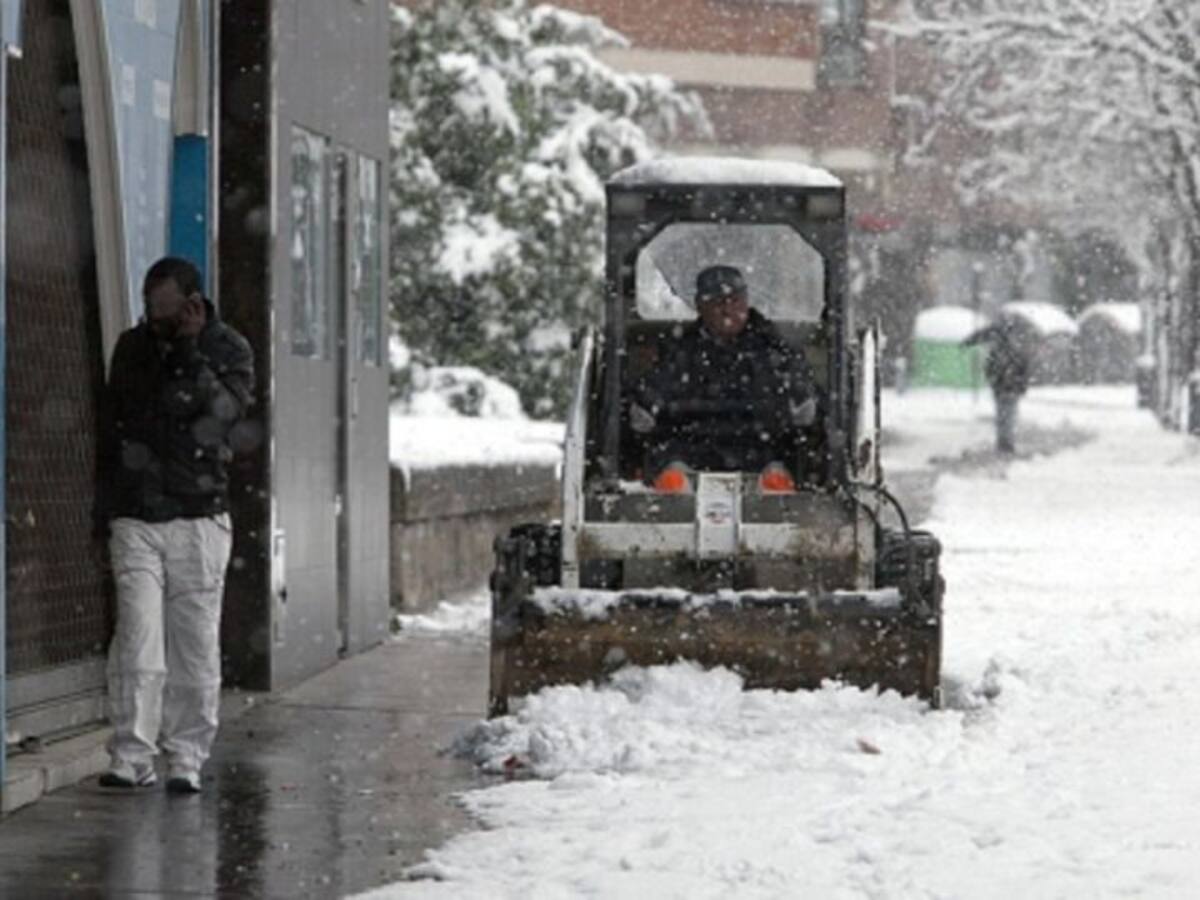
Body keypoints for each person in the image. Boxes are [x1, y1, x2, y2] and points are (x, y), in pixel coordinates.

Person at [95, 256, 254, 794]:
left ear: (192, 305)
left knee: (194, 643)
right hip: (137, 513)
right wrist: (106, 510)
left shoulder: (228, 349)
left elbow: (222, 417)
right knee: (137, 637)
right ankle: (132, 752)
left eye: (164, 313)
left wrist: (187, 351)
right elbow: (111, 428)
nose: (153, 323)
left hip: (199, 515)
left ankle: (186, 754)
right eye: (148, 311)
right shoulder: (132, 348)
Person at [629, 264, 819, 477]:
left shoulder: (773, 348)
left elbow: (800, 391)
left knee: (780, 479)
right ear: (700, 306)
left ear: (746, 302)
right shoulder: (681, 350)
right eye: (718, 303)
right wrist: (646, 405)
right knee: (672, 479)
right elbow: (655, 388)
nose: (728, 310)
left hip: (762, 450)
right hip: (690, 449)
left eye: (735, 301)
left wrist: (801, 400)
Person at [963, 314, 1035, 454]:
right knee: (1008, 415)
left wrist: (995, 381)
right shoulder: (1015, 352)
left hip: (1002, 388)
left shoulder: (998, 353)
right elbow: (1023, 370)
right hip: (1008, 388)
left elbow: (990, 369)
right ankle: (1006, 442)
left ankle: (1004, 442)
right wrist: (1020, 385)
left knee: (1003, 415)